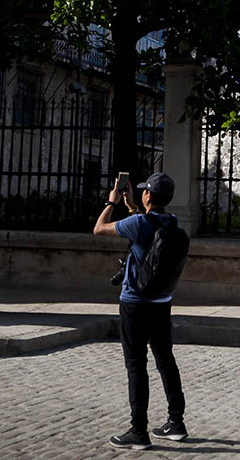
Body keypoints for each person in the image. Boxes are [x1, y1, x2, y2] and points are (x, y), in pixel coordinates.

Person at [93, 172, 188, 451]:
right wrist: (134, 206)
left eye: (145, 191)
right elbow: (147, 231)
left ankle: (138, 431)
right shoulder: (172, 222)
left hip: (135, 303)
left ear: (148, 195)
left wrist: (112, 202)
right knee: (165, 360)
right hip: (162, 302)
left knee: (136, 364)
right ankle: (176, 423)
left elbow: (99, 229)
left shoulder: (137, 223)